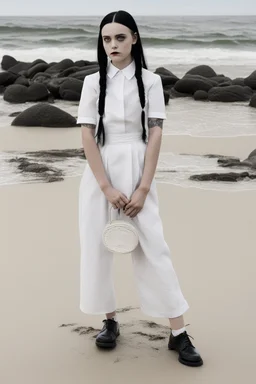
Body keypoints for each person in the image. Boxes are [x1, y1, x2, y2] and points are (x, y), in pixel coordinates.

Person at [77, 10, 203, 367]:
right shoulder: (92, 83)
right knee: (96, 247)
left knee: (154, 247)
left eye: (119, 37)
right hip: (101, 172)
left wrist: (143, 188)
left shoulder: (150, 81)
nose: (112, 45)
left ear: (134, 38)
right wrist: (105, 186)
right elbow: (87, 133)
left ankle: (178, 331)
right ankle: (109, 320)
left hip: (138, 168)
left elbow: (156, 131)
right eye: (106, 39)